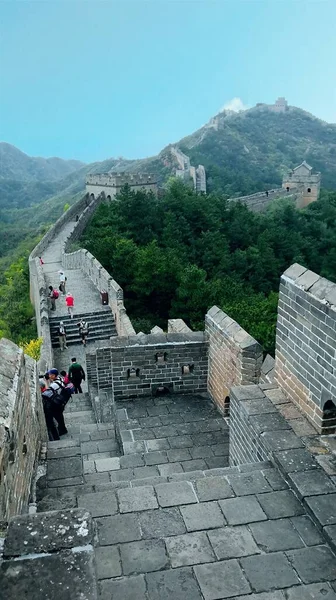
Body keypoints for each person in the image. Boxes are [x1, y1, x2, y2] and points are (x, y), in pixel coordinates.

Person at [47, 368, 68, 435]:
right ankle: (63, 429)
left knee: (58, 417)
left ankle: (62, 430)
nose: (49, 376)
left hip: (57, 403)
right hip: (61, 401)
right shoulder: (60, 379)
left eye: (50, 374)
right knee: (60, 416)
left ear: (53, 375)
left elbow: (46, 394)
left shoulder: (54, 385)